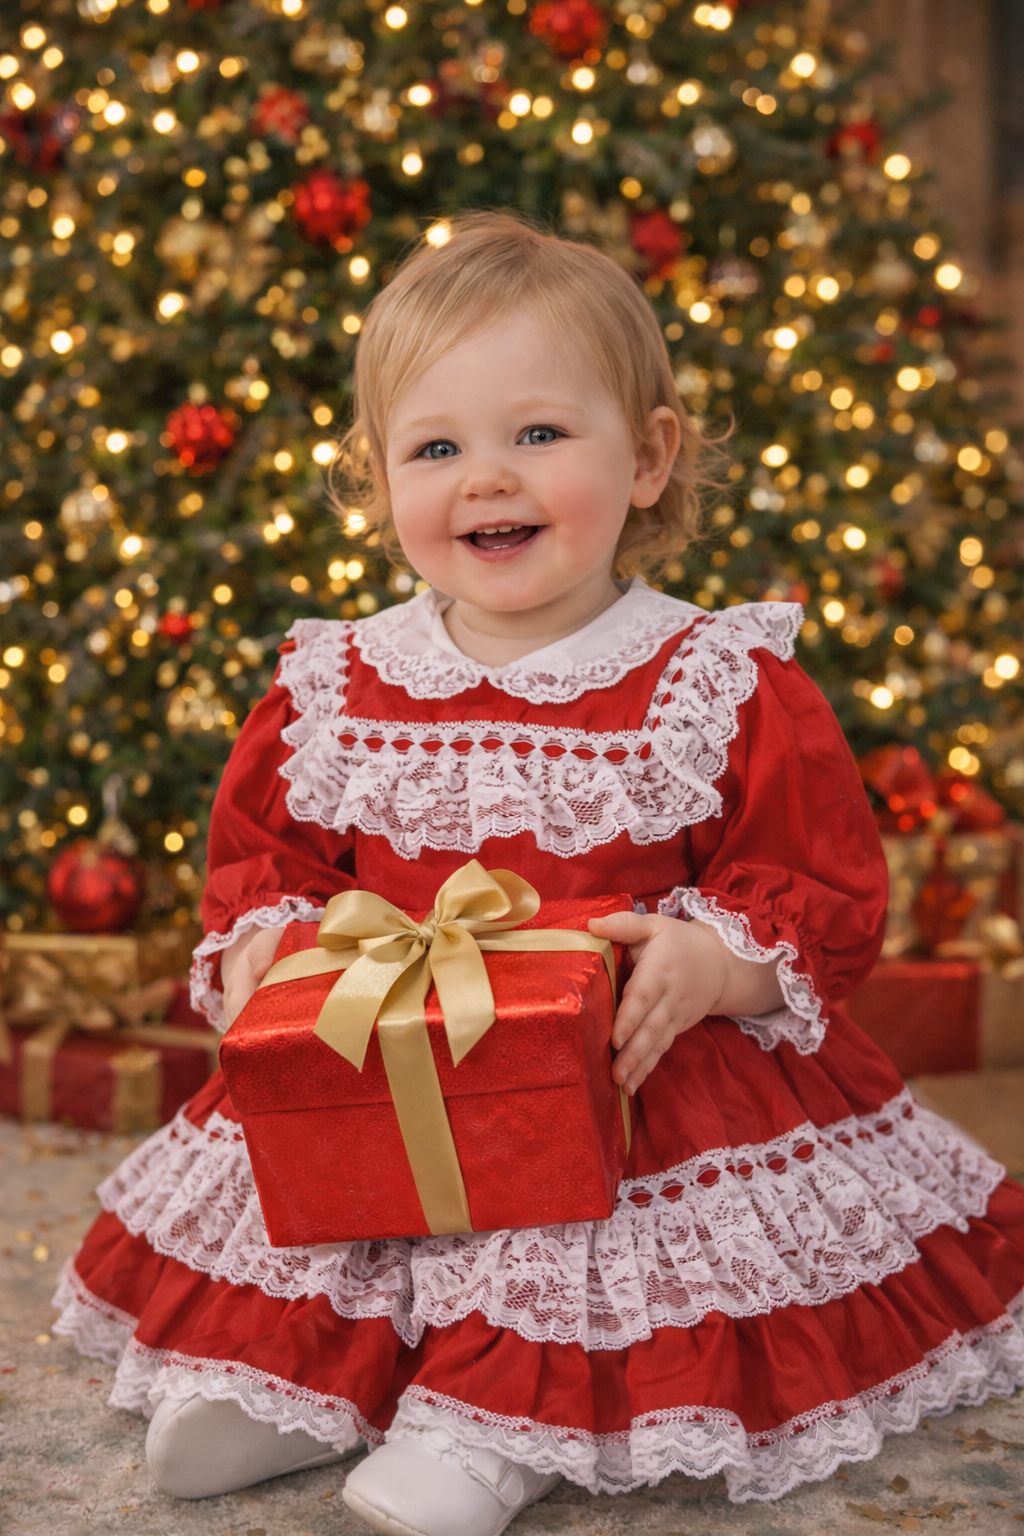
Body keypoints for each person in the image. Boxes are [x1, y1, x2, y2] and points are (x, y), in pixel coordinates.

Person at [54, 214, 1024, 1535]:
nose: (487, 479)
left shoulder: (712, 677)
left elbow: (813, 883)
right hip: (386, 1047)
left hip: (626, 1066)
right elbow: (268, 861)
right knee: (332, 1184)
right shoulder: (336, 679)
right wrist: (265, 944)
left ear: (650, 457)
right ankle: (291, 1377)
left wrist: (717, 960)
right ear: (375, 478)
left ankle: (494, 1426)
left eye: (540, 434)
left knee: (567, 1218)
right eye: (436, 449)